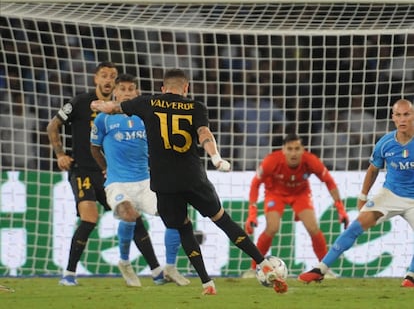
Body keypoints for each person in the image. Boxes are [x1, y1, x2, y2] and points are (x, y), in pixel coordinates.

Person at [90, 68, 287, 295]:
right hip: (193, 178)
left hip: (163, 184)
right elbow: (204, 133)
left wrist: (101, 106)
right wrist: (216, 157)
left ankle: (207, 283)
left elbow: (112, 108)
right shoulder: (196, 107)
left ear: (163, 89)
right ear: (186, 88)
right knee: (223, 220)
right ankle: (263, 263)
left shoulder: (148, 103)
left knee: (183, 228)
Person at [298, 99, 414, 288]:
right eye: (398, 115)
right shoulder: (385, 143)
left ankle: (410, 276)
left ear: (413, 116)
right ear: (393, 117)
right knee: (355, 227)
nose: (402, 119)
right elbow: (373, 169)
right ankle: (320, 269)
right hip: (390, 195)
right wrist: (362, 196)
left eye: (406, 114)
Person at [90, 73, 189, 286]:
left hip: (146, 182)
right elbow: (94, 148)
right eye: (122, 89)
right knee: (128, 214)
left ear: (137, 93)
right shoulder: (104, 119)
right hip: (117, 182)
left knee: (173, 215)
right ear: (115, 92)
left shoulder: (145, 116)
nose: (126, 93)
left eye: (130, 89)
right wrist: (105, 168)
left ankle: (170, 267)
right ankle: (125, 262)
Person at [47, 61, 118, 286]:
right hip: (83, 171)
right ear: (95, 79)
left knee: (131, 216)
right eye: (104, 75)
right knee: (89, 218)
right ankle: (68, 274)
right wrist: (60, 154)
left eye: (112, 76)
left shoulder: (119, 108)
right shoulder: (80, 102)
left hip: (110, 174)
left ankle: (156, 271)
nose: (108, 80)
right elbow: (52, 126)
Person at [243, 134, 350, 278]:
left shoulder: (311, 160)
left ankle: (324, 269)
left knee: (313, 228)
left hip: (300, 194)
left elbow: (329, 182)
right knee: (272, 228)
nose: (293, 153)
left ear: (303, 149)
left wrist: (340, 209)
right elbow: (255, 183)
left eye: (297, 149)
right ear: (283, 150)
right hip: (275, 193)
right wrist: (252, 213)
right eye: (290, 149)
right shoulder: (271, 161)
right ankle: (253, 268)